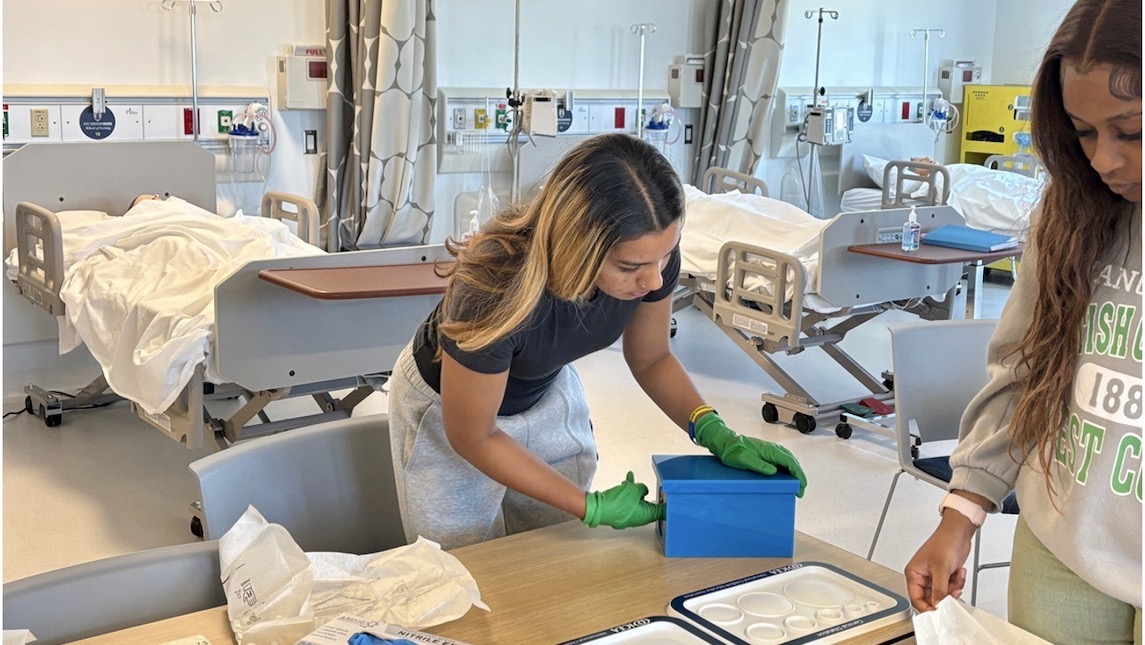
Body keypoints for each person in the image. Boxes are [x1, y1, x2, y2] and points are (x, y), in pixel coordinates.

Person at [387, 132, 807, 549]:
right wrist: (590, 506)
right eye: (631, 266)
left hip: (544, 389)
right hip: (451, 409)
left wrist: (711, 427)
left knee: (552, 546)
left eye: (665, 256)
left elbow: (652, 358)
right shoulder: (495, 287)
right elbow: (474, 436)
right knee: (465, 561)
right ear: (578, 246)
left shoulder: (652, 256)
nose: (656, 279)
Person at [904, 1, 1141, 642]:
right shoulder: (1071, 221)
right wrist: (960, 516)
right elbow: (1024, 369)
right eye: (1084, 132)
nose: (1103, 161)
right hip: (1064, 536)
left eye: (1132, 131)